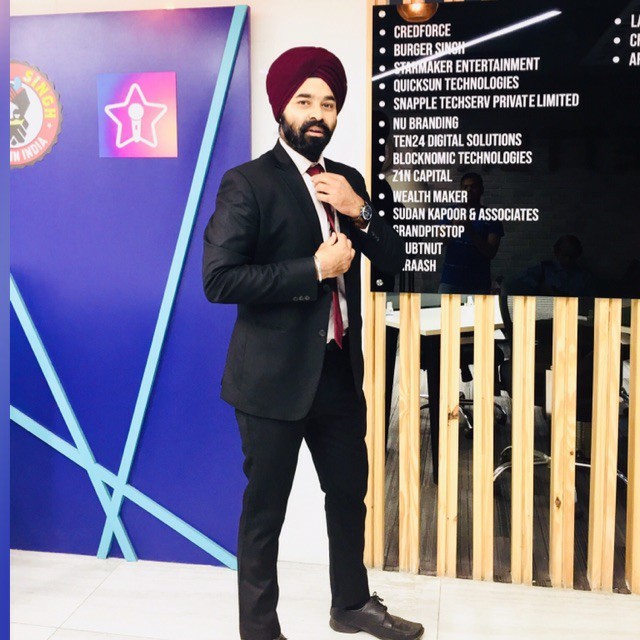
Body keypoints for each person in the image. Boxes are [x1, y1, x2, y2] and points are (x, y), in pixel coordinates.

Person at [202, 47, 422, 640]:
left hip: (338, 374)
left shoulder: (348, 180)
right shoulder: (248, 182)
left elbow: (397, 259)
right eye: (305, 101)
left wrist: (361, 210)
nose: (318, 113)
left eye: (328, 103)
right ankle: (260, 631)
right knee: (264, 513)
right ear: (282, 108)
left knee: (349, 494)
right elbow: (218, 280)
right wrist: (314, 269)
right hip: (270, 380)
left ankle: (351, 605)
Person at [439, 172, 504, 294]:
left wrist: (471, 231)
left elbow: (491, 252)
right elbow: (441, 242)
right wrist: (454, 227)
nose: (469, 190)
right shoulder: (449, 211)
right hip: (450, 281)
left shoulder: (492, 216)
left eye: (473, 186)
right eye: (465, 187)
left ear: (481, 190)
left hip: (479, 284)